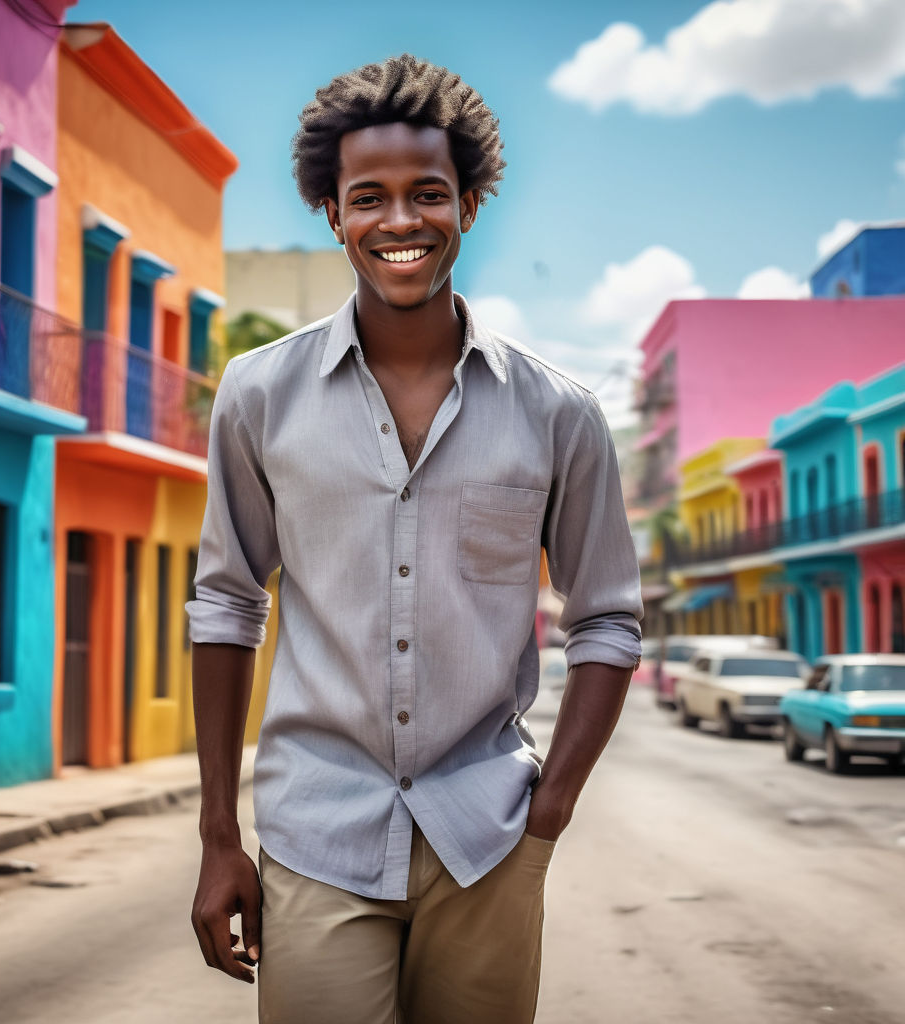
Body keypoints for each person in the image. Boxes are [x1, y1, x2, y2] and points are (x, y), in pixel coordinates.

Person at [186, 54, 642, 1024]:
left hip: (487, 838)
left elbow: (605, 617)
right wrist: (219, 833)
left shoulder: (558, 412)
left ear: (468, 204)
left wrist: (548, 812)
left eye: (427, 193)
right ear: (332, 212)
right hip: (316, 829)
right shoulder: (258, 397)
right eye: (369, 198)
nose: (400, 222)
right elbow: (227, 601)